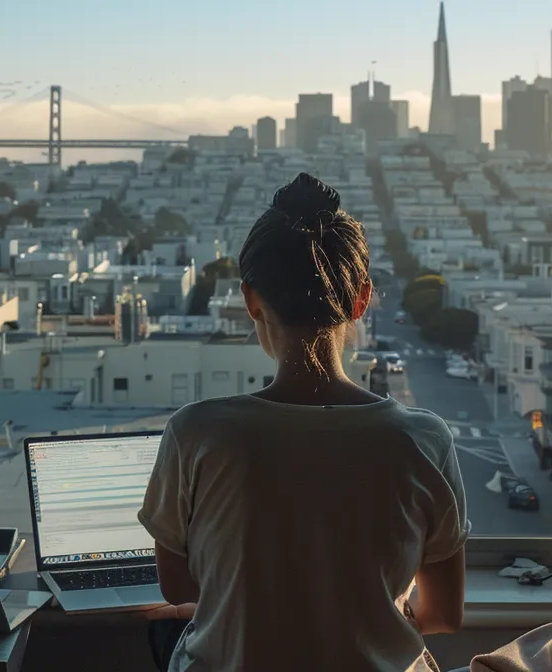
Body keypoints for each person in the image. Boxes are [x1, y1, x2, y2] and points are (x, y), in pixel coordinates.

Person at [138, 173, 469, 672]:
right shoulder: (422, 439)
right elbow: (443, 614)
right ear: (361, 299)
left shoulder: (196, 433)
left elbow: (179, 588)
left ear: (252, 301)